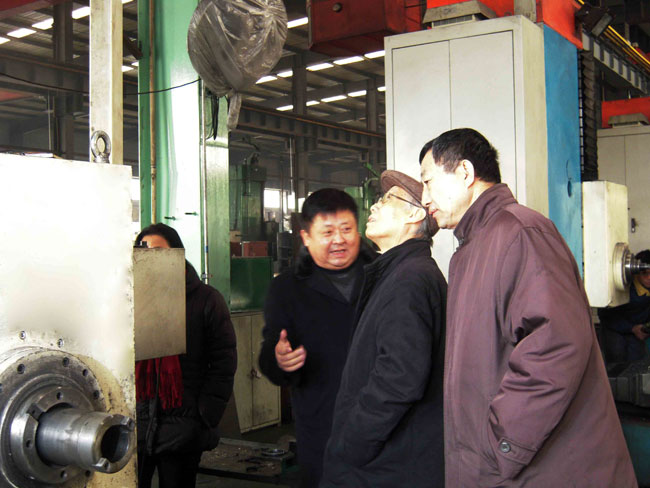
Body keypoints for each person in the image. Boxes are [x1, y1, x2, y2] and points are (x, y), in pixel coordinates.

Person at [419, 128, 636, 487]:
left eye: (428, 181)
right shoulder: (475, 247)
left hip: (539, 470)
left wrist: (504, 445)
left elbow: (556, 345)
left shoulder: (520, 233)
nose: (424, 197)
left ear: (465, 173)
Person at [320, 171, 446, 488]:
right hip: (385, 461)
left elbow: (399, 377)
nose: (374, 205)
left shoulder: (410, 279)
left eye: (388, 199)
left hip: (385, 466)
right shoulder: (398, 273)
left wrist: (351, 443)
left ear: (415, 215)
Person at [259, 189, 376, 487]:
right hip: (323, 424)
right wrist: (279, 359)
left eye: (346, 229)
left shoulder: (384, 275)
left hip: (382, 422)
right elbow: (269, 353)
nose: (339, 240)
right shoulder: (287, 288)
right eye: (327, 232)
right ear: (306, 237)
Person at [134, 223, 237, 488]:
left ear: (177, 254)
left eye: (158, 251)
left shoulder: (206, 300)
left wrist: (205, 415)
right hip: (136, 425)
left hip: (183, 426)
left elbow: (224, 362)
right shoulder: (130, 300)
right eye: (143, 252)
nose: (150, 258)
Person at [599, 250, 650, 363]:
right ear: (636, 272)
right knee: (617, 361)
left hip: (637, 332)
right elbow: (605, 315)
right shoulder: (623, 288)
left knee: (637, 361)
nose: (649, 277)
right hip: (614, 330)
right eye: (644, 273)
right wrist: (632, 328)